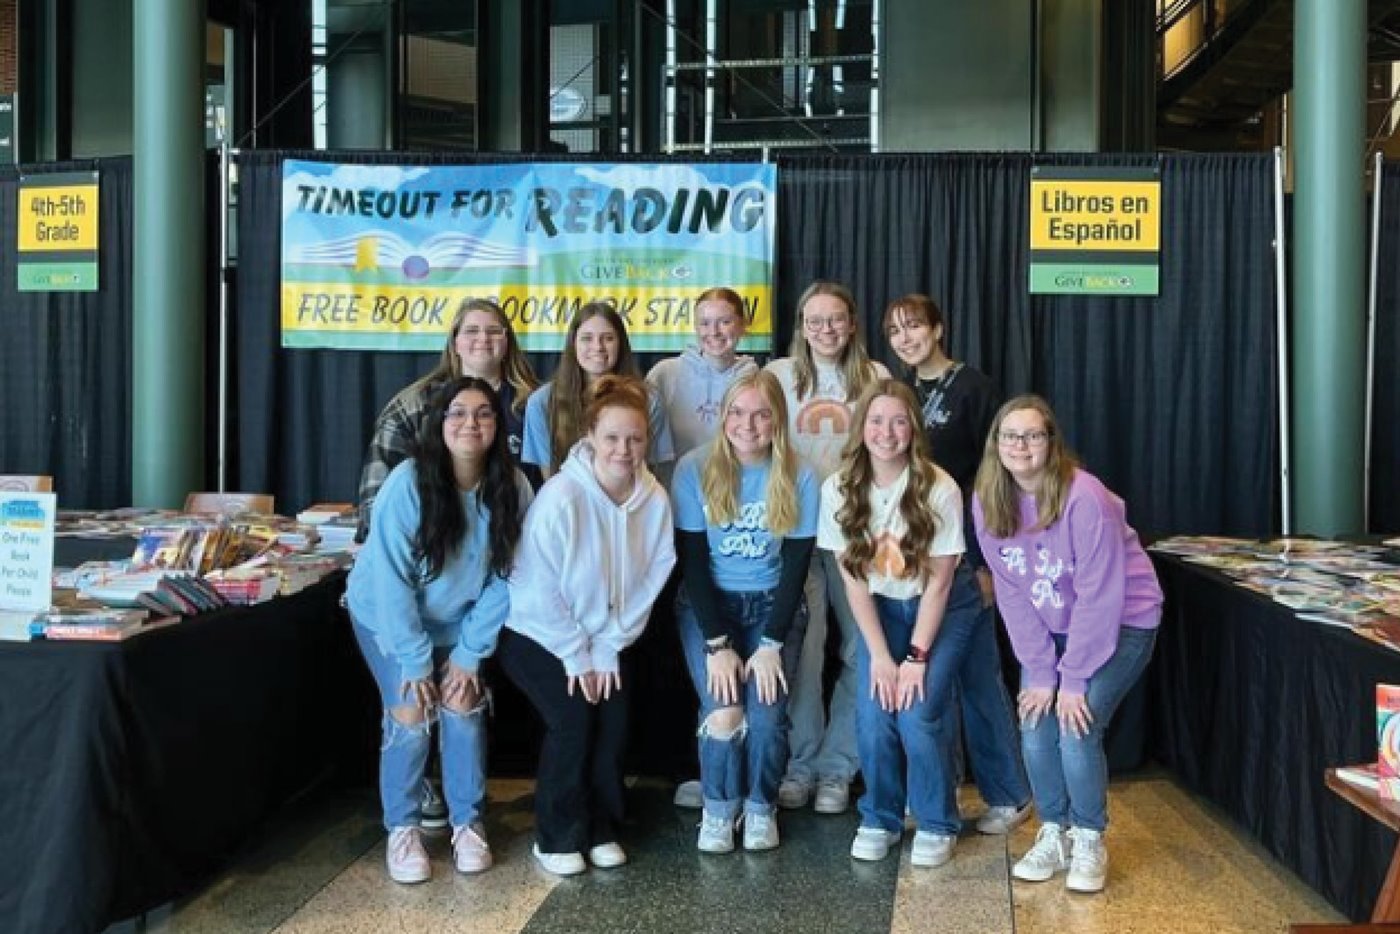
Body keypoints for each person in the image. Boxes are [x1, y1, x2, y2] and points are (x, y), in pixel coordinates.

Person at [354, 297, 538, 830]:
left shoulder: (528, 421)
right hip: (399, 604)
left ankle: (467, 823)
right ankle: (404, 827)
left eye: (483, 415)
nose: (471, 424)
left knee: (462, 700)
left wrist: (469, 652)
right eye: (458, 415)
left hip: (466, 608)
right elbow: (385, 559)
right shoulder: (411, 444)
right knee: (412, 708)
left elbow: (513, 568)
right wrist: (414, 659)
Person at [972, 395, 1162, 894]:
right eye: (1010, 435)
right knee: (1035, 718)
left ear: (1051, 443)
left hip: (1124, 621)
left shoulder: (1085, 498)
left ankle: (1089, 836)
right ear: (997, 444)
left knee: (1077, 724)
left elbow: (1101, 595)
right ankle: (1053, 830)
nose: (1021, 446)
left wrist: (1072, 679)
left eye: (1033, 435)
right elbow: (1011, 593)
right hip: (1054, 624)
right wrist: (1039, 672)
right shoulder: (988, 500)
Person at [500, 375, 677, 876]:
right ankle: (556, 835)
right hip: (538, 632)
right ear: (591, 438)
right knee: (574, 718)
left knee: (614, 721)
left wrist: (608, 646)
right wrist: (578, 652)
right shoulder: (562, 496)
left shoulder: (655, 499)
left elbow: (655, 574)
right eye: (613, 439)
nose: (625, 449)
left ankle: (600, 825)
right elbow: (536, 587)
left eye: (636, 439)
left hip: (605, 637)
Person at [818, 380, 986, 867]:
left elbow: (938, 585)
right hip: (881, 611)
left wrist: (914, 658)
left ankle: (936, 821)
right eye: (876, 421)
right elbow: (854, 585)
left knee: (917, 710)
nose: (886, 432)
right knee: (874, 713)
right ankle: (880, 817)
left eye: (898, 421)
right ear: (861, 428)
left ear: (913, 428)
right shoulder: (839, 488)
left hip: (942, 610)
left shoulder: (940, 487)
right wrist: (879, 656)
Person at [883, 293, 1032, 835]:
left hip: (964, 554)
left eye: (915, 326)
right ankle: (933, 790)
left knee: (975, 677)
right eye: (895, 331)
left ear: (939, 328)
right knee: (930, 679)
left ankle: (1009, 793)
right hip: (905, 559)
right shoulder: (897, 393)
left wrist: (987, 558)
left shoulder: (974, 388)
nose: (906, 338)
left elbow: (995, 478)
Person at [671, 371, 819, 853]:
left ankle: (759, 807)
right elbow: (692, 562)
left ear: (777, 419)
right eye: (737, 412)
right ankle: (719, 809)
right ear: (723, 417)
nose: (748, 424)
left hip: (774, 606)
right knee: (724, 711)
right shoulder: (694, 469)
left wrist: (772, 642)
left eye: (760, 413)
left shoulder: (800, 474)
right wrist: (717, 645)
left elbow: (797, 564)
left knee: (768, 712)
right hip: (709, 606)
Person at [765, 280, 890, 814]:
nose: (826, 329)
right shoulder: (776, 377)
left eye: (835, 318)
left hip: (856, 535)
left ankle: (839, 768)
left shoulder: (876, 378)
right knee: (804, 653)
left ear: (853, 323)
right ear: (801, 326)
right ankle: (800, 764)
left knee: (860, 651)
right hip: (793, 534)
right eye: (814, 320)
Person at [357, 297, 539, 540]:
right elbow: (376, 493)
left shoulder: (536, 406)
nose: (483, 339)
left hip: (516, 545)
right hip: (430, 544)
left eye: (494, 331)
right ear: (455, 342)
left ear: (507, 342)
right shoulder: (413, 405)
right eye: (472, 331)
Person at [521, 301, 674, 478]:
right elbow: (549, 479)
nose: (598, 347)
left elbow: (655, 474)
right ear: (573, 344)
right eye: (587, 338)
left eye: (608, 338)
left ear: (620, 344)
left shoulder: (649, 400)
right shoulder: (542, 403)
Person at [647, 286, 760, 463]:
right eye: (705, 323)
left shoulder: (755, 380)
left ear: (742, 325)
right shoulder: (665, 375)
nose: (714, 332)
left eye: (725, 322)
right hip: (674, 486)